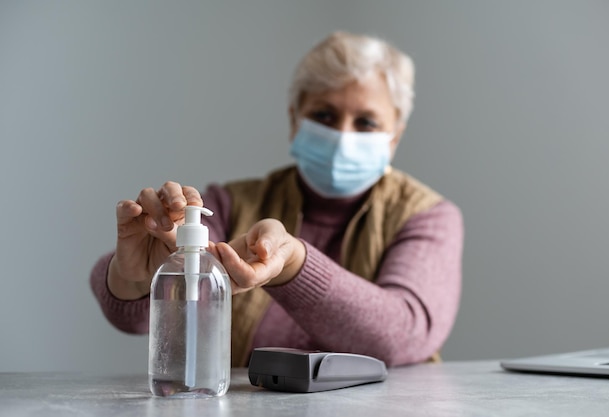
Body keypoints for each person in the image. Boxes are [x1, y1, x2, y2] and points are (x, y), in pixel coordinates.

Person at [90, 31, 464, 367]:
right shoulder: (230, 203)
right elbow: (132, 319)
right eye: (324, 115)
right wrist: (141, 276)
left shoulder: (428, 216)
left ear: (395, 135)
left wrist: (294, 265)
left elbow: (405, 334)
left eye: (366, 122)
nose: (342, 136)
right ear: (294, 120)